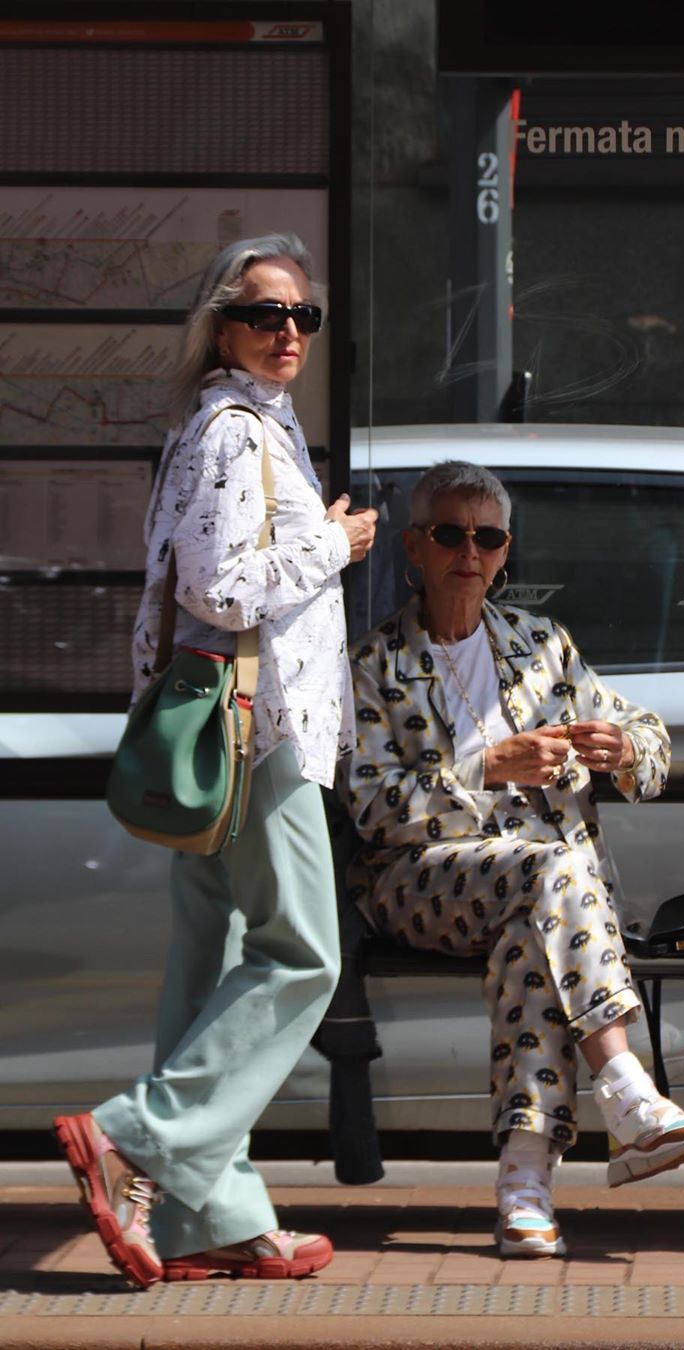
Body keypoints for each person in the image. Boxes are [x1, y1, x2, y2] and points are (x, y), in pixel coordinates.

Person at [53, 234, 378, 1288]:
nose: (288, 333)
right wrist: (332, 545)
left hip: (226, 730)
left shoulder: (240, 429)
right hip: (261, 731)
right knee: (304, 954)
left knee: (205, 968)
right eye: (265, 315)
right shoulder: (236, 434)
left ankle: (206, 1217)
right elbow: (220, 590)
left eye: (303, 319)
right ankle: (133, 1134)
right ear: (222, 326)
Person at [343, 461, 684, 1259]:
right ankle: (626, 1088)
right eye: (450, 533)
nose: (468, 552)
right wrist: (486, 769)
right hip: (420, 881)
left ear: (506, 551)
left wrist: (622, 749)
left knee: (533, 943)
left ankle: (524, 1191)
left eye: (488, 536)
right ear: (414, 546)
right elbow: (373, 809)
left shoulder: (539, 645)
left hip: (540, 901)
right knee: (548, 873)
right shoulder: (373, 663)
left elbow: (649, 744)